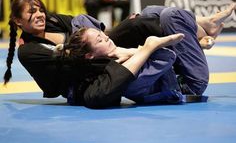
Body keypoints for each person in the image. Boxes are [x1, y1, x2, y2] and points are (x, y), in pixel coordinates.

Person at [3, 0, 236, 108]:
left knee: (145, 14)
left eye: (39, 9)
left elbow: (82, 26)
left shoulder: (53, 21)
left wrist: (128, 50)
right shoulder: (29, 51)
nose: (39, 14)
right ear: (17, 20)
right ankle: (200, 31)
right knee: (153, 20)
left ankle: (202, 27)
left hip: (95, 54)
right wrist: (136, 51)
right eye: (31, 12)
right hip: (85, 70)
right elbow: (70, 60)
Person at [55, 27, 185, 104]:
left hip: (177, 81)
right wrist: (137, 50)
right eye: (100, 40)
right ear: (89, 55)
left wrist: (126, 52)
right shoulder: (99, 73)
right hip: (176, 90)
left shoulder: (105, 59)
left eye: (102, 34)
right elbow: (167, 56)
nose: (106, 38)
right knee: (126, 81)